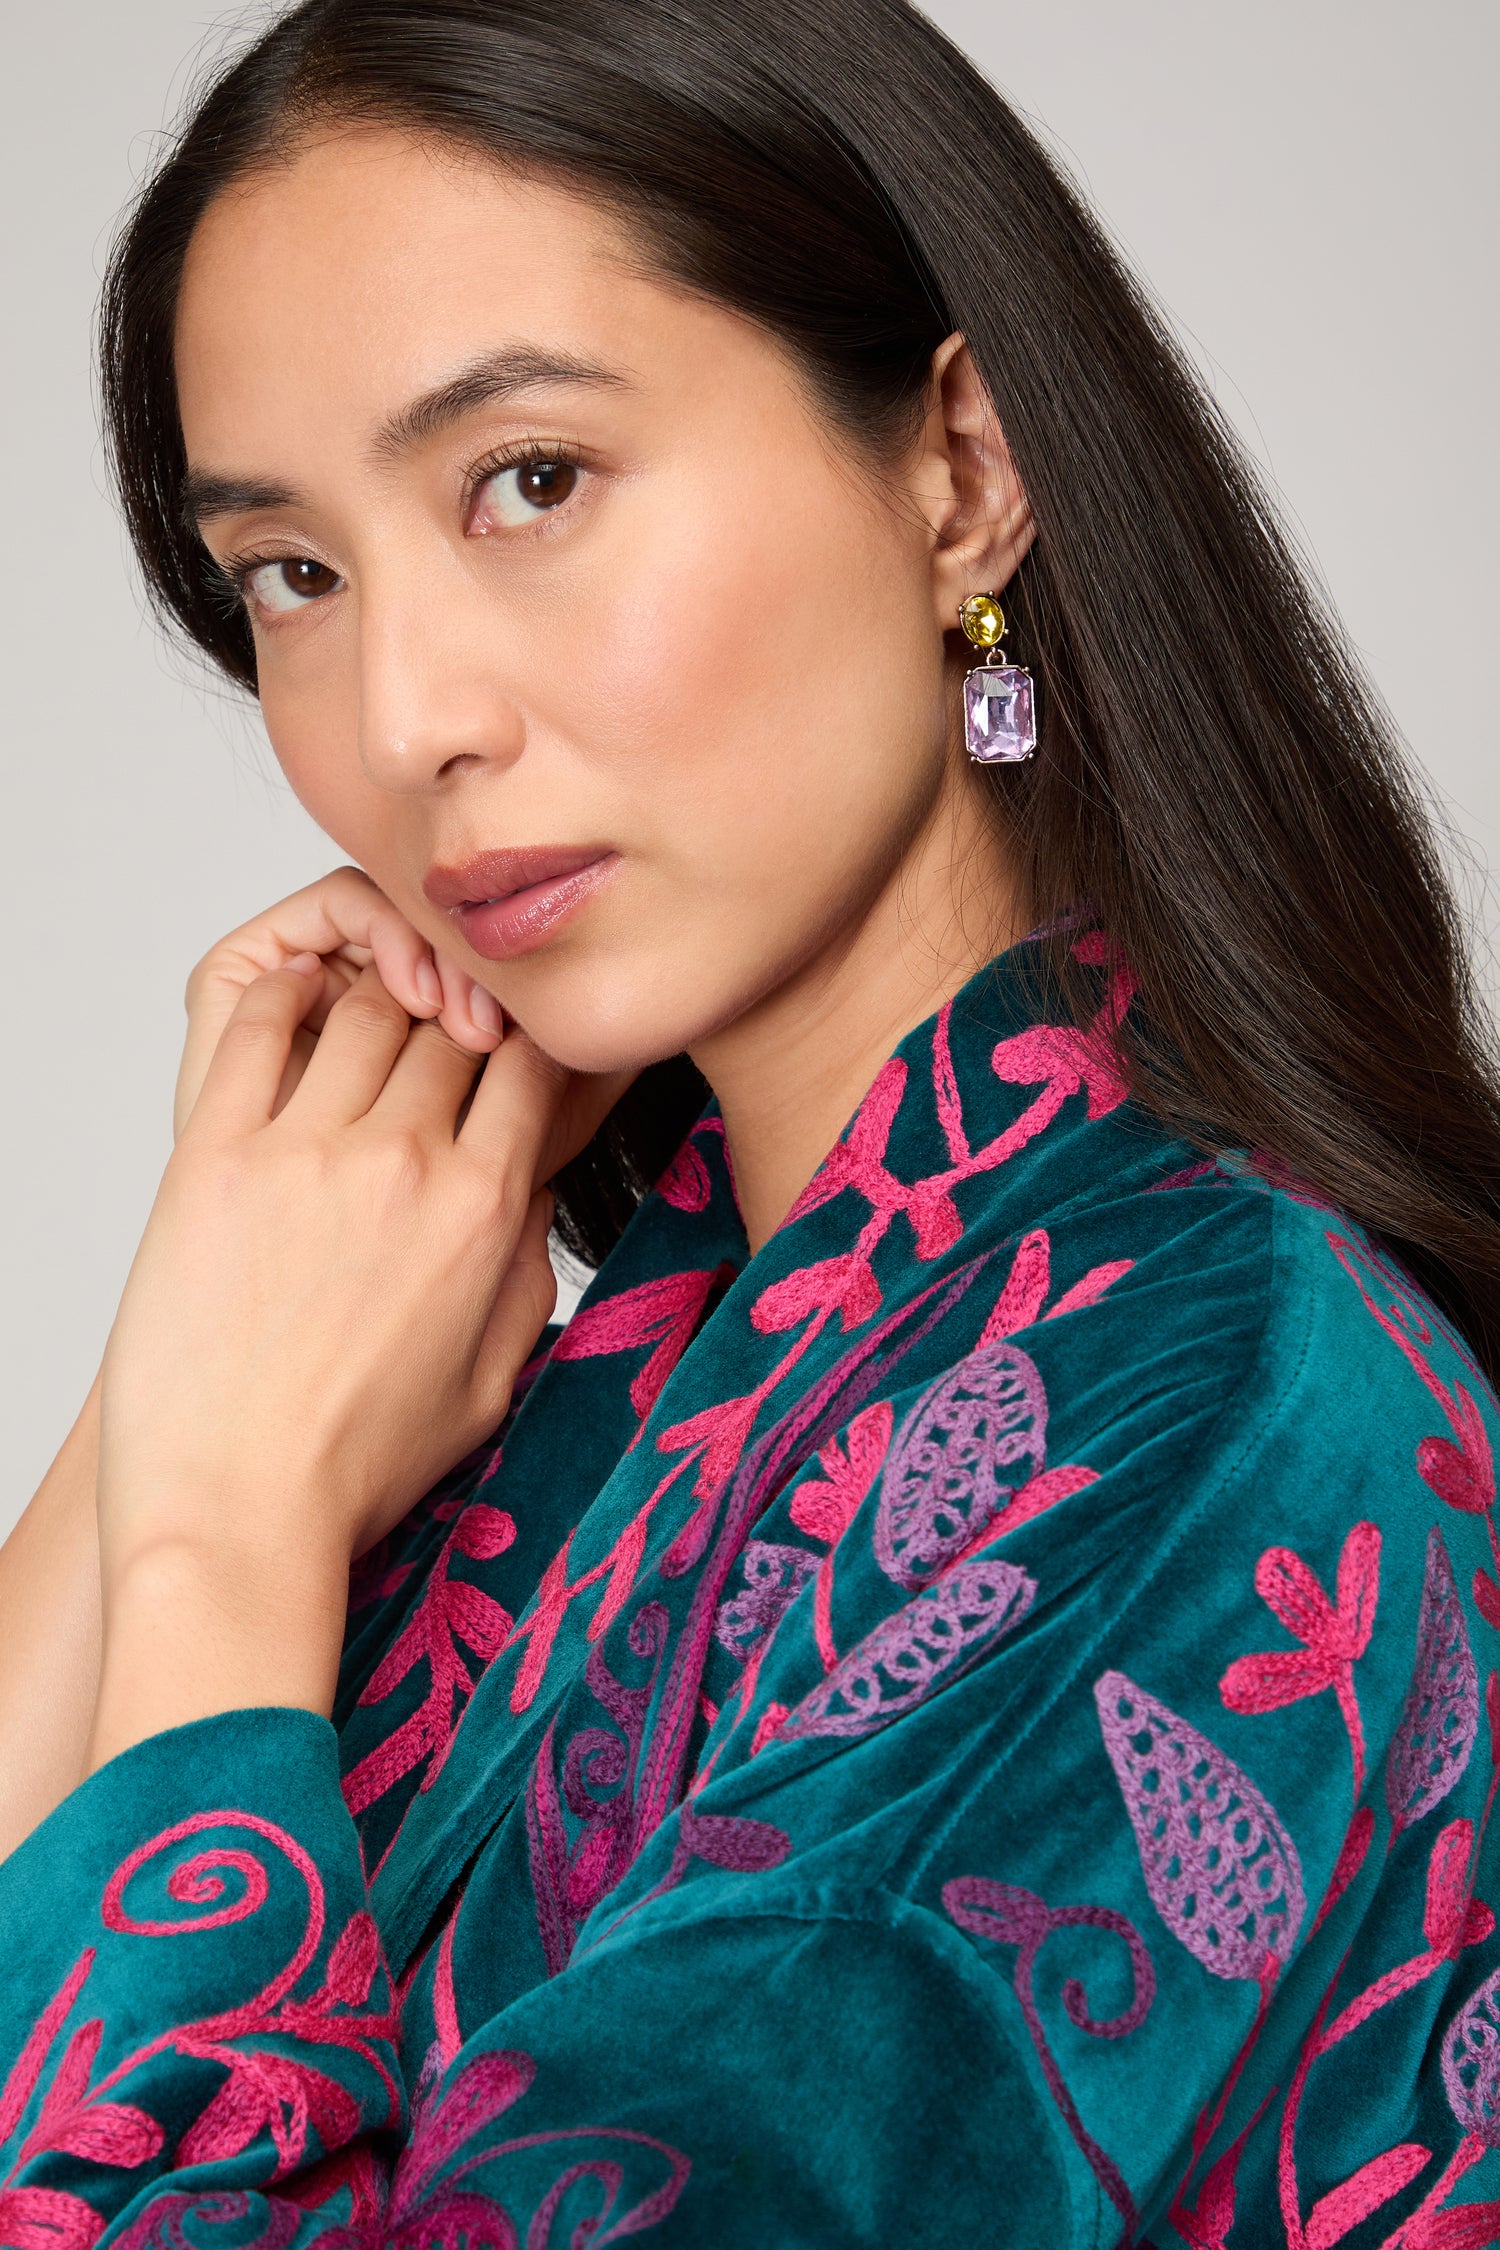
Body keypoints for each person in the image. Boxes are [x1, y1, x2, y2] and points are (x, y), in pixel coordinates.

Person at [1, 0, 1498, 2240]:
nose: (405, 718)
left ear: (960, 468)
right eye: (291, 577)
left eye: (532, 481)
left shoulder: (1201, 1417)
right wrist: (191, 1356)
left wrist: (218, 1537)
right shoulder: (609, 1366)